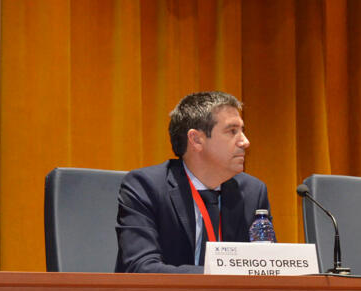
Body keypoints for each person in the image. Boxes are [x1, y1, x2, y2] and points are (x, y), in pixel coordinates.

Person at [115, 91, 271, 273]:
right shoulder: (145, 187)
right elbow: (141, 268)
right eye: (232, 131)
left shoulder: (252, 191)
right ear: (196, 140)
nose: (245, 142)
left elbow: (266, 268)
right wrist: (221, 275)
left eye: (242, 131)